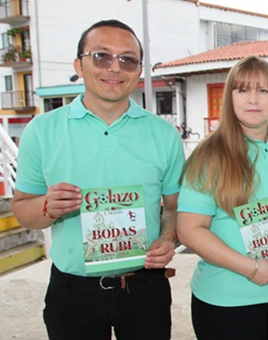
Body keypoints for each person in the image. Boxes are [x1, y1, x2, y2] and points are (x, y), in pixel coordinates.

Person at [11, 20, 184, 339]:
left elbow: (173, 207)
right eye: (102, 56)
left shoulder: (164, 135)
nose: (115, 68)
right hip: (73, 292)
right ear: (78, 64)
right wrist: (48, 206)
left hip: (145, 288)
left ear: (139, 70)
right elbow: (23, 209)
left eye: (128, 59)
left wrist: (169, 238)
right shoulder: (42, 131)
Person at [176, 56, 268, 339]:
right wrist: (250, 268)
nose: (254, 99)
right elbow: (190, 230)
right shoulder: (208, 156)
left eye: (263, 91)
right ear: (230, 97)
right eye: (243, 90)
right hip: (229, 301)